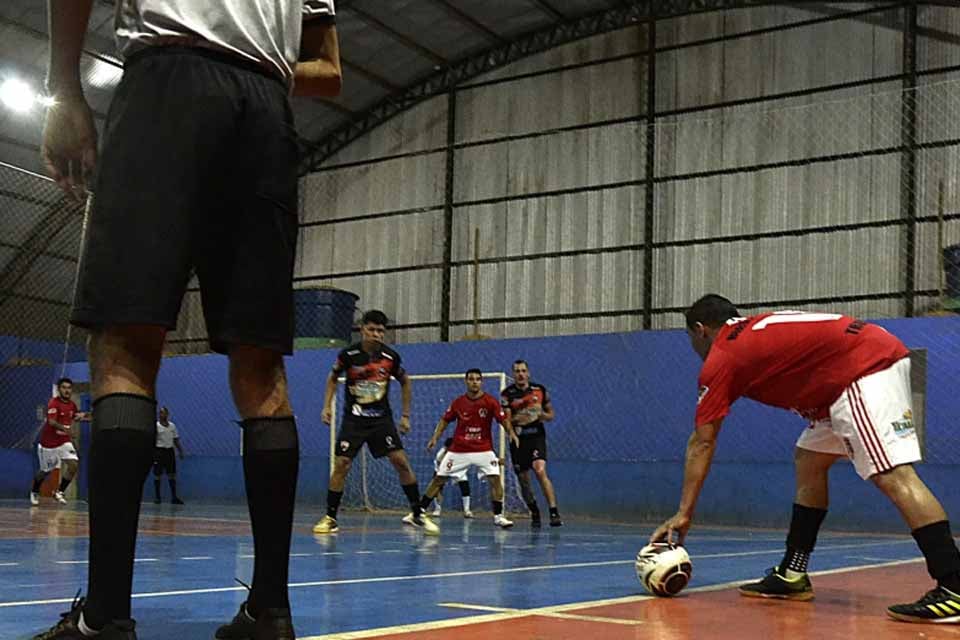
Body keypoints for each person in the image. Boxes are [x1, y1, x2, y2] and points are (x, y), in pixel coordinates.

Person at [37, 0, 341, 637]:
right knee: (262, 368)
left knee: (125, 346)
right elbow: (328, 70)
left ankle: (106, 619)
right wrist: (262, 60)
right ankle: (270, 613)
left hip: (168, 86)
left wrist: (64, 91)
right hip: (263, 110)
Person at [651, 294, 960, 624]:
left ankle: (954, 586)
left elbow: (703, 441)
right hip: (854, 369)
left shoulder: (724, 355)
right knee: (809, 459)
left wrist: (684, 513)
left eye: (690, 338)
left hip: (863, 368)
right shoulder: (753, 331)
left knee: (893, 475)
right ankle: (793, 573)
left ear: (700, 330)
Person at [313, 310, 438, 535]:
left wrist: (406, 416)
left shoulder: (391, 357)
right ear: (362, 330)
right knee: (342, 464)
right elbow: (332, 377)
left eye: (381, 330)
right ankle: (331, 517)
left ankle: (418, 513)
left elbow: (405, 381)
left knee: (400, 462)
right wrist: (326, 406)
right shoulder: (348, 355)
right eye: (371, 329)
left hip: (382, 420)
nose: (376, 334)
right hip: (354, 420)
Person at [419, 369, 519, 529]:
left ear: (481, 382)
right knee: (439, 479)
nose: (474, 382)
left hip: (484, 449)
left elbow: (503, 420)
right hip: (459, 449)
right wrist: (435, 438)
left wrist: (511, 433)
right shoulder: (458, 402)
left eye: (478, 379)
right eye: (471, 379)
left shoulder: (490, 402)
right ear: (466, 381)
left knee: (495, 479)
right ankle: (419, 511)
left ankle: (499, 516)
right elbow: (445, 420)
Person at [501, 360, 562, 527]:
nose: (520, 374)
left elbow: (551, 415)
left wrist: (540, 415)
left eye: (523, 371)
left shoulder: (539, 390)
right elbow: (506, 420)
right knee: (524, 480)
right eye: (517, 371)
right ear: (513, 374)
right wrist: (513, 428)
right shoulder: (507, 394)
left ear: (528, 373)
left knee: (540, 469)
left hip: (536, 437)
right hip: (519, 440)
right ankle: (534, 510)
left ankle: (554, 512)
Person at [30, 378, 90, 506]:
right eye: (64, 387)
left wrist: (86, 416)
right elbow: (51, 422)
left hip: (63, 441)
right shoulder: (53, 403)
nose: (67, 390)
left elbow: (75, 416)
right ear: (59, 389)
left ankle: (59, 492)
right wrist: (66, 430)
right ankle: (35, 490)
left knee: (74, 464)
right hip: (48, 444)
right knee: (45, 471)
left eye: (69, 388)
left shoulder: (72, 405)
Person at [429, 438, 474, 518]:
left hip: (458, 469)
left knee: (465, 485)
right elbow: (437, 472)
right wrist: (438, 489)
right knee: (436, 487)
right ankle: (437, 509)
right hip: (444, 470)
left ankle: (467, 510)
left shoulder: (462, 453)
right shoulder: (440, 456)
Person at [153, 407, 185, 505]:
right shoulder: (156, 426)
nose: (163, 415)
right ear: (159, 415)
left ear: (168, 414)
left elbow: (176, 440)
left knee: (172, 474)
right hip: (159, 451)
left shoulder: (172, 426)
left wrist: (180, 451)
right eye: (161, 413)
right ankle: (158, 498)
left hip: (169, 452)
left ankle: (174, 497)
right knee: (158, 475)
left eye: (165, 413)